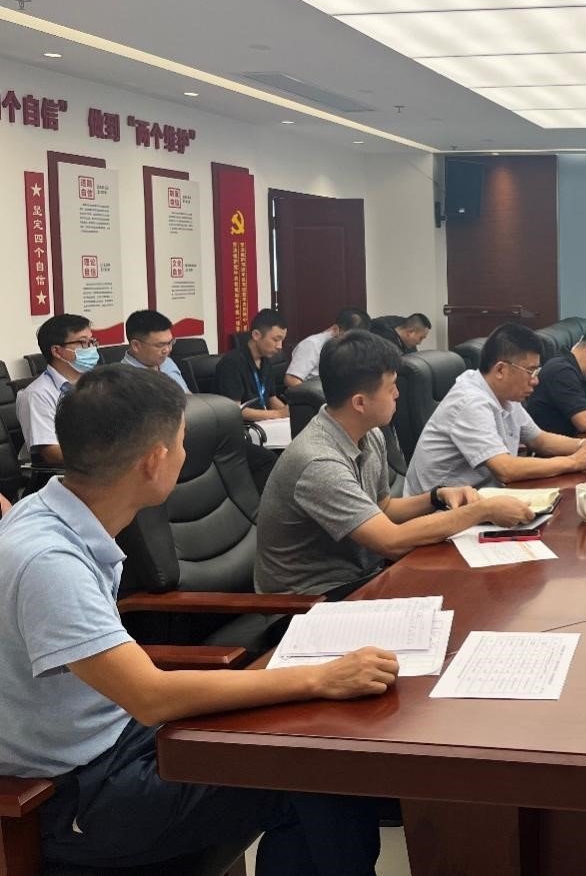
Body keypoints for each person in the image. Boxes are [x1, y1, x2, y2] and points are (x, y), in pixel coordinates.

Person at [0, 365, 393, 873]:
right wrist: (321, 677)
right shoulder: (50, 561)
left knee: (310, 741)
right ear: (155, 460)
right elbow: (151, 696)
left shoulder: (54, 513)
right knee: (317, 768)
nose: (186, 456)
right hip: (81, 791)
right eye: (183, 443)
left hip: (120, 737)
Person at [256, 331, 534, 599]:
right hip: (311, 601)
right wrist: (482, 510)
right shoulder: (319, 462)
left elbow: (384, 508)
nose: (398, 394)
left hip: (363, 580)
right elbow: (392, 541)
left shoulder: (369, 434)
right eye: (391, 388)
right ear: (360, 403)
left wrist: (437, 497)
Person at [405, 323, 586, 493]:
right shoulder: (470, 401)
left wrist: (585, 445)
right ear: (500, 370)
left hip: (484, 498)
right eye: (531, 371)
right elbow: (505, 469)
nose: (535, 381)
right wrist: (574, 461)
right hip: (443, 513)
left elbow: (539, 440)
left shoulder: (504, 396)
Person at [15, 313, 96, 465]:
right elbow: (52, 454)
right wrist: (106, 458)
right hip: (67, 473)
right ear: (57, 351)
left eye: (92, 342)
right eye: (83, 343)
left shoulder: (97, 383)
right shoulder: (37, 395)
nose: (91, 348)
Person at [216, 308, 289, 422]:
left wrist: (289, 413)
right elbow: (235, 409)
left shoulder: (266, 361)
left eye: (282, 340)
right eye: (275, 340)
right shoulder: (232, 363)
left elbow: (271, 399)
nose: (280, 346)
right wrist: (278, 414)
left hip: (264, 422)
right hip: (241, 426)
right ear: (256, 335)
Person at [284, 306, 371, 386]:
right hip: (313, 395)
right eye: (349, 337)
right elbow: (291, 380)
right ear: (336, 329)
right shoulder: (311, 345)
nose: (352, 343)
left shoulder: (348, 347)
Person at [122, 309, 189, 392]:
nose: (167, 350)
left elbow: (188, 395)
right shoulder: (123, 380)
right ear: (136, 345)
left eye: (170, 343)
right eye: (160, 345)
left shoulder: (166, 361)